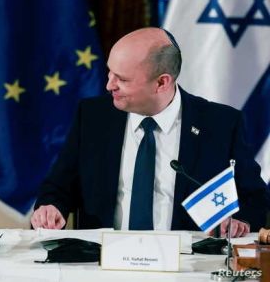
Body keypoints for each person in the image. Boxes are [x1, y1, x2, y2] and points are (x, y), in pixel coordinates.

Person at [31, 27, 270, 237]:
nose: (109, 85)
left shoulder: (220, 123)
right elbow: (58, 187)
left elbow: (254, 197)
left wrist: (240, 222)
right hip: (102, 261)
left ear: (161, 82)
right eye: (109, 72)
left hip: (189, 265)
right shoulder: (94, 117)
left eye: (121, 79)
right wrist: (51, 208)